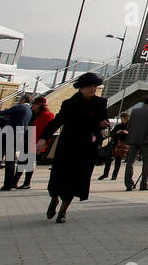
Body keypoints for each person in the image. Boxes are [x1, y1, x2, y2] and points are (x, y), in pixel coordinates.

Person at [44, 73, 110, 223]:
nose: (93, 89)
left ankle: (63, 211)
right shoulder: (69, 104)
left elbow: (102, 119)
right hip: (68, 145)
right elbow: (58, 121)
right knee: (57, 177)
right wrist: (43, 138)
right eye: (90, 86)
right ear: (81, 88)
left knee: (76, 180)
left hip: (86, 147)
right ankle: (54, 199)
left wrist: (104, 124)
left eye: (95, 86)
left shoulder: (101, 103)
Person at [16, 94, 54, 189]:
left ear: (41, 105)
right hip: (28, 139)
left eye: (35, 104)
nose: (33, 106)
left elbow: (47, 130)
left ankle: (26, 183)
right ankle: (15, 181)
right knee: (21, 161)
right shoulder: (33, 113)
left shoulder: (47, 115)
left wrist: (42, 142)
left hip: (36, 141)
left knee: (29, 162)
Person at [124, 98, 148, 191]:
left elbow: (129, 125)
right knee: (146, 162)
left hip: (133, 139)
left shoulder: (134, 111)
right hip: (146, 139)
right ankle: (143, 184)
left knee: (130, 162)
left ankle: (128, 184)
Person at [98, 112, 130, 180]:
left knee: (118, 161)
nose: (122, 120)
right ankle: (105, 174)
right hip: (114, 143)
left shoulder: (129, 126)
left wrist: (126, 132)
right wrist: (117, 132)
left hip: (122, 144)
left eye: (123, 118)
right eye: (121, 118)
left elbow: (131, 134)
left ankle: (114, 175)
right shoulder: (118, 126)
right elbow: (112, 133)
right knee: (108, 159)